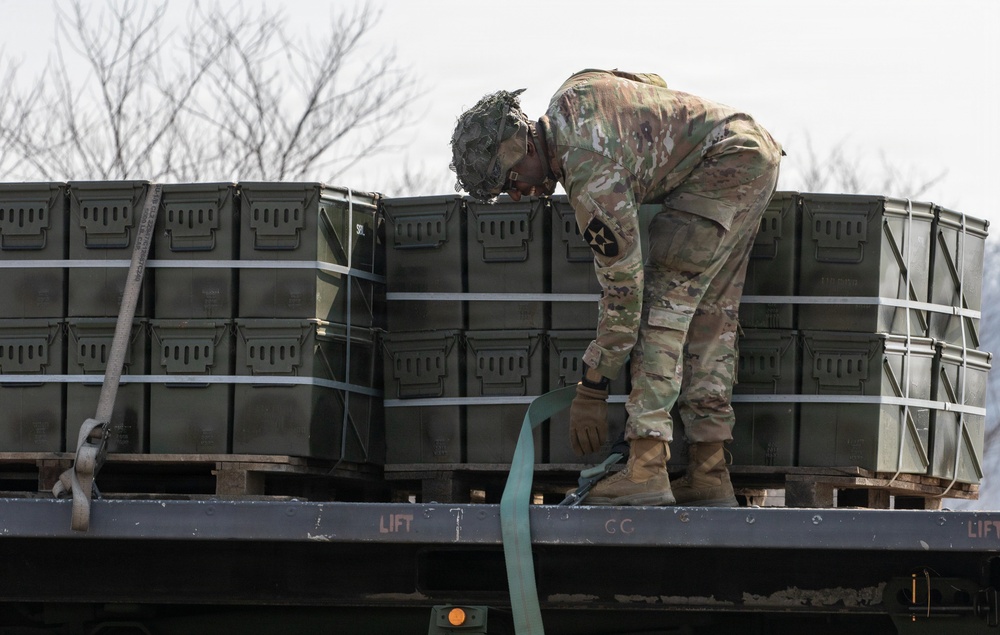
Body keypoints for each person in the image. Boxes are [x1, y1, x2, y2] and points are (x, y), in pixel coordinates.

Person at [450, 69, 782, 506]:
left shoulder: (589, 176)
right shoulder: (575, 88)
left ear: (527, 144)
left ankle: (646, 467)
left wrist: (593, 384)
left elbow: (625, 296)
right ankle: (708, 470)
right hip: (748, 151)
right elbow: (652, 84)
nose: (518, 195)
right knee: (709, 316)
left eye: (511, 179)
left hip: (724, 167)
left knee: (659, 310)